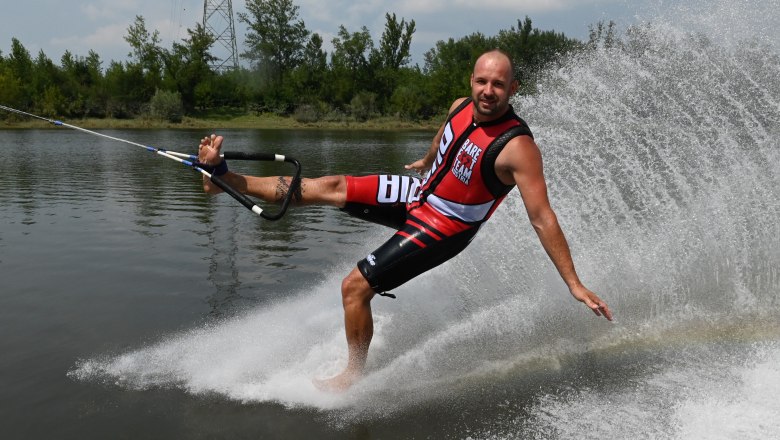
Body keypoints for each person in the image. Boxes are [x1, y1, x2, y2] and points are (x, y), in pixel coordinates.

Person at [197, 49, 613, 391]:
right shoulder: (460, 107)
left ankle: (353, 375)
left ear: (513, 89)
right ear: (471, 81)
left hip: (445, 225)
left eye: (499, 85)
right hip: (419, 193)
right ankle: (225, 179)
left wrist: (573, 284)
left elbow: (542, 218)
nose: (488, 92)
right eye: (481, 82)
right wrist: (428, 159)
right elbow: (443, 136)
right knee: (333, 185)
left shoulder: (518, 147)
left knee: (354, 287)